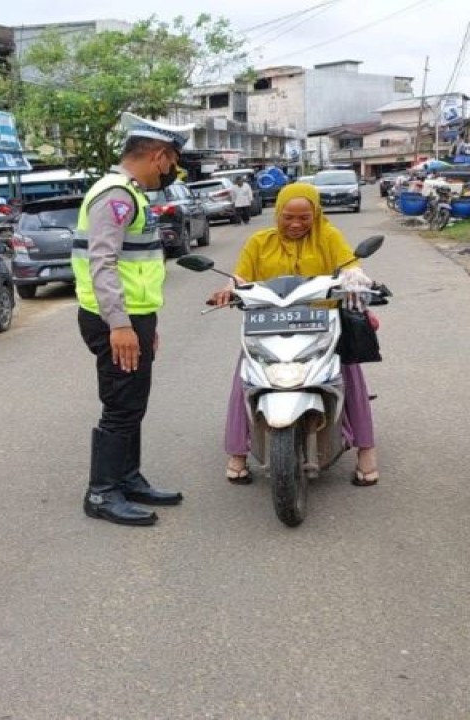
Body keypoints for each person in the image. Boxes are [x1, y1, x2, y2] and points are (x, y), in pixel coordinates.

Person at [208, 183, 381, 487]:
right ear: (278, 213)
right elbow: (241, 276)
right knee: (245, 377)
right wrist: (228, 289)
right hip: (269, 323)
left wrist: (355, 278)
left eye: (304, 218)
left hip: (321, 322)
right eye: (288, 217)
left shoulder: (328, 236)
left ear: (316, 215)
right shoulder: (259, 241)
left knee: (349, 373)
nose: (296, 224)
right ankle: (237, 452)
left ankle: (366, 450)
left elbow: (349, 265)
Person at [72, 113, 190, 526]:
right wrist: (121, 325)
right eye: (172, 160)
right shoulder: (116, 195)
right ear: (159, 156)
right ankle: (102, 493)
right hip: (113, 319)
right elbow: (102, 262)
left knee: (133, 403)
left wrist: (144, 324)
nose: (172, 170)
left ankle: (127, 478)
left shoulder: (131, 194)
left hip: (133, 316)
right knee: (121, 406)